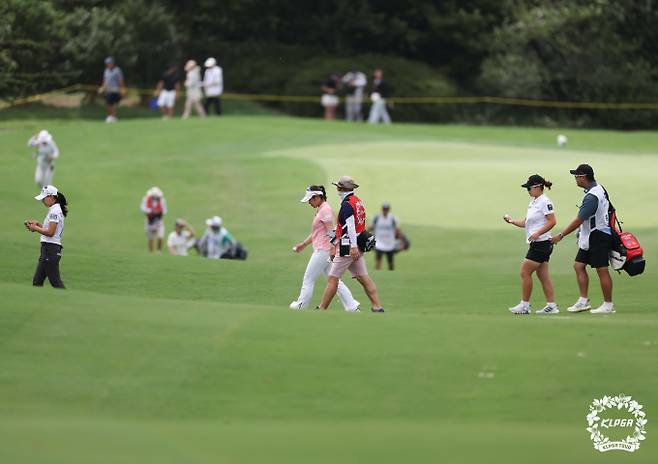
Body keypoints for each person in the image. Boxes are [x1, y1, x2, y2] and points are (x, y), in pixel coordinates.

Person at [551, 164, 615, 314]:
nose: (575, 179)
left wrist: (560, 235)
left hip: (598, 235)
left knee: (602, 270)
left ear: (583, 177)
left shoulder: (592, 196)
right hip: (592, 235)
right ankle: (583, 301)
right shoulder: (599, 188)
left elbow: (579, 220)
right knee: (579, 265)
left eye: (576, 176)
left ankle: (608, 304)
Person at [318, 176, 385, 312]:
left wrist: (352, 246)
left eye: (338, 186)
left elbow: (350, 227)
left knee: (332, 278)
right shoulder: (357, 201)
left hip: (348, 247)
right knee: (363, 278)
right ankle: (377, 307)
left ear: (342, 188)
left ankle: (322, 309)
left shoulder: (347, 205)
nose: (336, 188)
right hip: (357, 246)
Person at [289, 185, 360, 311]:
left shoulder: (325, 210)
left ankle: (301, 305)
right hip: (324, 250)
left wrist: (333, 248)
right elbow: (317, 233)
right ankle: (352, 306)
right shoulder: (321, 210)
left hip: (323, 251)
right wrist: (304, 244)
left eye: (310, 200)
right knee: (334, 280)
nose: (309, 203)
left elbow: (332, 231)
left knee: (308, 278)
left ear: (317, 197)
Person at [504, 175, 559, 315]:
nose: (527, 191)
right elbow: (526, 223)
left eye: (529, 188)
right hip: (538, 243)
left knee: (525, 272)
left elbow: (552, 221)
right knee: (543, 275)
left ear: (537, 187)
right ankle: (551, 305)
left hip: (541, 244)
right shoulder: (534, 202)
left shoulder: (545, 202)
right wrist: (512, 221)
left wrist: (538, 233)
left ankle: (525, 305)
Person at [25, 185, 68, 288]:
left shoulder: (55, 211)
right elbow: (50, 230)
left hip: (50, 249)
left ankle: (68, 301)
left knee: (55, 282)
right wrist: (38, 225)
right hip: (48, 249)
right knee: (37, 281)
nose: (42, 201)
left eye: (44, 198)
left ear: (51, 197)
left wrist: (35, 228)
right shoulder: (54, 209)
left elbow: (50, 232)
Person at [369, 202, 400, 270]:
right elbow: (370, 228)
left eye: (386, 209)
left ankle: (391, 272)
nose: (385, 210)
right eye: (384, 209)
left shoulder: (393, 218)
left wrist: (398, 240)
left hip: (390, 243)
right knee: (378, 260)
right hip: (379, 242)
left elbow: (397, 230)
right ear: (382, 209)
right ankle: (378, 271)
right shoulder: (377, 218)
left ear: (389, 209)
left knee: (390, 261)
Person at [98, 56, 125, 123]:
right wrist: (102, 88)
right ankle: (112, 116)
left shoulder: (117, 70)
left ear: (112, 63)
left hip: (115, 90)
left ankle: (112, 117)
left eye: (109, 63)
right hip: (108, 90)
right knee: (109, 104)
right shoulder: (106, 71)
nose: (108, 64)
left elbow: (120, 81)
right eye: (107, 63)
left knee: (111, 104)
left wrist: (122, 89)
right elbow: (105, 81)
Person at [140, 187, 167, 253]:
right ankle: (150, 253)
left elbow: (165, 211)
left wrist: (157, 212)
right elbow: (143, 208)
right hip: (149, 221)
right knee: (150, 238)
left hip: (158, 221)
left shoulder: (162, 200)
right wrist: (151, 211)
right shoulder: (146, 199)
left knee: (160, 236)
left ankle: (158, 251)